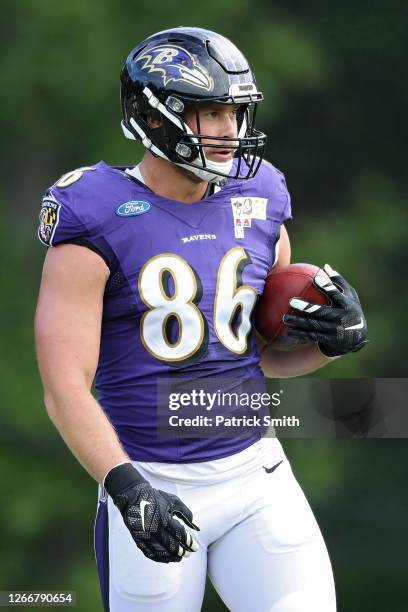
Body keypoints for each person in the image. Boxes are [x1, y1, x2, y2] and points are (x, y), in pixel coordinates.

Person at [34, 27, 367, 612]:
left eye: (235, 114)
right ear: (156, 117)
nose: (230, 131)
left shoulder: (260, 196)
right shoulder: (95, 212)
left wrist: (332, 342)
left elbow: (260, 355)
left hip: (256, 474)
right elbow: (64, 388)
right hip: (150, 480)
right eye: (211, 113)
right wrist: (127, 487)